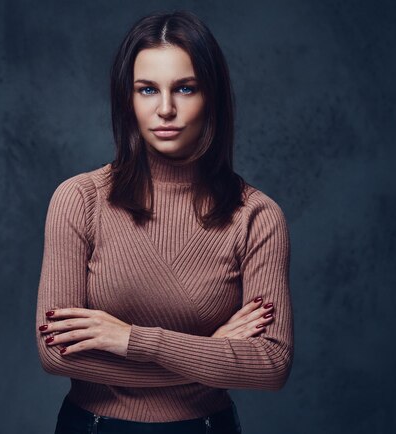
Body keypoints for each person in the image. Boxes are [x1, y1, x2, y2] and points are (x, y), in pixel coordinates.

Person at [35, 10, 294, 434]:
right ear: (128, 98)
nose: (166, 109)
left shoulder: (256, 216)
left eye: (185, 88)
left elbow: (271, 364)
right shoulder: (80, 200)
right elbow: (57, 354)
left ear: (211, 96)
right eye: (148, 89)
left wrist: (132, 340)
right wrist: (211, 354)